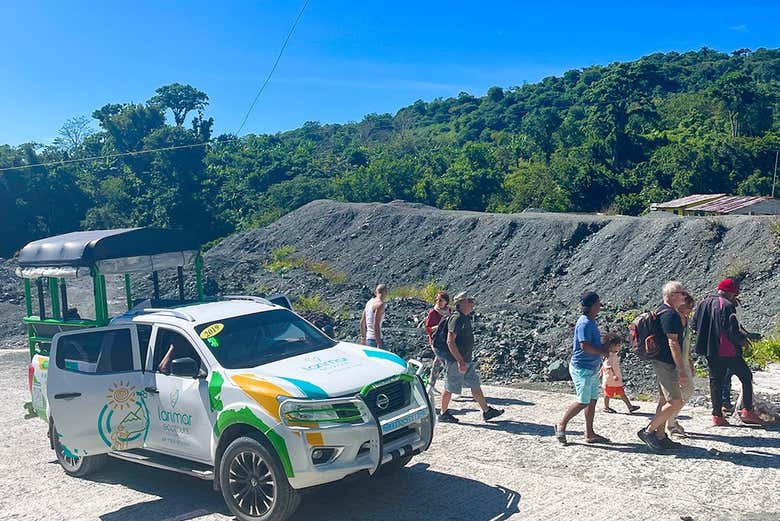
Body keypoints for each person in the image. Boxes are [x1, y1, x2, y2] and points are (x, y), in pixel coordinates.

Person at [692, 279, 763, 426]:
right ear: (730, 292)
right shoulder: (727, 306)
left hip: (709, 350)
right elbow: (732, 331)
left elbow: (694, 325)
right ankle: (747, 411)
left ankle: (717, 416)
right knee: (746, 376)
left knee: (715, 381)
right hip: (727, 350)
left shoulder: (702, 303)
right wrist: (744, 342)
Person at [637, 281, 690, 451]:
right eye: (682, 293)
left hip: (662, 361)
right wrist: (681, 369)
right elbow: (672, 342)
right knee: (675, 401)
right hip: (666, 363)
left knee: (664, 400)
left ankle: (660, 436)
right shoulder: (671, 315)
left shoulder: (662, 310)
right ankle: (649, 431)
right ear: (673, 295)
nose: (684, 295)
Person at [438, 292, 504, 423]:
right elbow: (450, 341)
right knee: (449, 386)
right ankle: (443, 413)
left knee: (475, 384)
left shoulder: (464, 317)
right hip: (456, 361)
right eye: (470, 301)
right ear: (462, 303)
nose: (472, 304)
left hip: (465, 360)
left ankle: (486, 411)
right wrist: (460, 361)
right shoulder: (456, 318)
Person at [555, 291, 611, 445]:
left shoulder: (590, 321)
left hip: (591, 367)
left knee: (591, 401)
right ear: (593, 305)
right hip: (582, 368)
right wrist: (603, 351)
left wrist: (606, 345)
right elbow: (585, 346)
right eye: (598, 303)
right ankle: (561, 424)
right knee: (583, 401)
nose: (600, 306)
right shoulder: (585, 323)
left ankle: (590, 433)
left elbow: (591, 344)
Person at [656, 293, 696, 437]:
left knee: (685, 392)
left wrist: (690, 362)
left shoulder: (685, 320)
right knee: (679, 394)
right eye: (687, 307)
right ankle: (667, 424)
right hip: (674, 362)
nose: (689, 310)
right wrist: (680, 369)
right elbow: (673, 343)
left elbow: (686, 344)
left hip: (684, 359)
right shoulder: (672, 318)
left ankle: (669, 422)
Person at [600, 332, 641, 414]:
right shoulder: (609, 356)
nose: (619, 347)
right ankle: (606, 407)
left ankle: (630, 406)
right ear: (612, 346)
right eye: (618, 345)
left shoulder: (612, 355)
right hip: (610, 379)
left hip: (615, 380)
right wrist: (614, 375)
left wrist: (601, 370)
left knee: (621, 393)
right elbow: (608, 366)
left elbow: (604, 365)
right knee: (608, 394)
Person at [424, 291, 451, 390]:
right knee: (447, 363)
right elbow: (428, 328)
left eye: (441, 300)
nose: (438, 302)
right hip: (436, 341)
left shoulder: (449, 311)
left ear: (446, 301)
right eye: (437, 300)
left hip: (445, 340)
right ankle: (450, 387)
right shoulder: (433, 312)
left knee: (437, 362)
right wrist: (439, 326)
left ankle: (431, 385)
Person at [360, 284, 388, 348]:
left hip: (368, 339)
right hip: (375, 340)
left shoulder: (369, 302)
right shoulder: (380, 304)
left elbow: (362, 322)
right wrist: (379, 343)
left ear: (376, 292)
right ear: (385, 292)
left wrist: (363, 338)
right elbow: (376, 324)